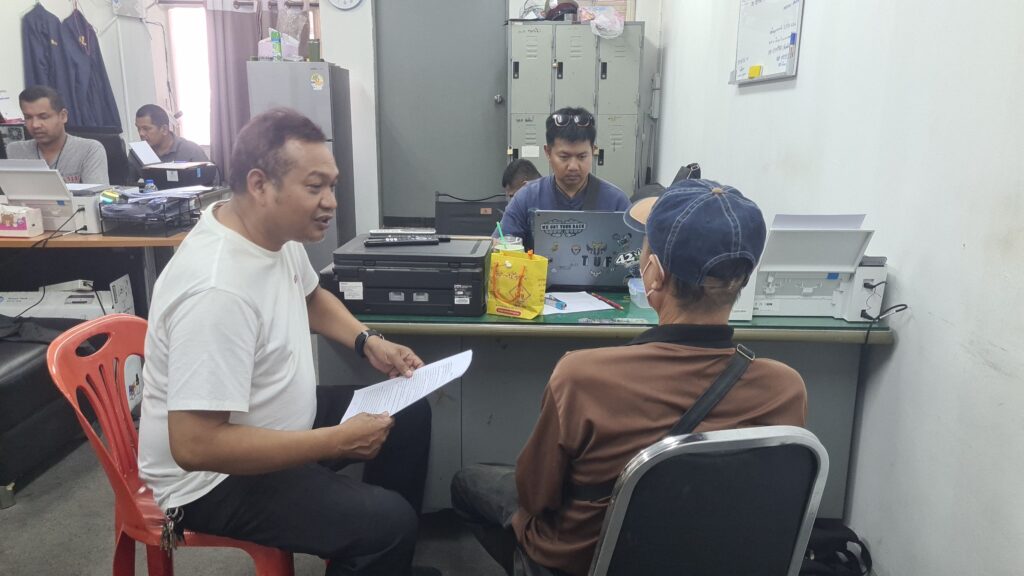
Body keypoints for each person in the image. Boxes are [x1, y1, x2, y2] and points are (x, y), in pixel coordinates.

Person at [452, 179, 808, 576]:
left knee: (468, 483)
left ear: (653, 274)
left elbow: (536, 497)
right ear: (740, 279)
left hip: (585, 560)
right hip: (714, 557)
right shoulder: (785, 388)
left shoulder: (581, 377)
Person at [137, 108, 438, 576]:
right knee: (390, 523)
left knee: (408, 409)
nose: (331, 202)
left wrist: (367, 341)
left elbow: (311, 297)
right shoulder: (216, 291)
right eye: (315, 187)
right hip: (213, 479)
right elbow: (195, 445)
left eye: (332, 186)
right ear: (260, 185)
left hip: (273, 418)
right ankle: (379, 545)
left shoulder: (272, 233)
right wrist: (334, 441)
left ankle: (378, 561)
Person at [497, 107, 630, 250]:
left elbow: (633, 253)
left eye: (582, 156)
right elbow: (501, 247)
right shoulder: (526, 198)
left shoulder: (616, 202)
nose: (573, 166)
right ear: (548, 152)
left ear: (593, 151)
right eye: (564, 157)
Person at [6, 85, 108, 184]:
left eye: (43, 117)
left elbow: (97, 194)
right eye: (28, 117)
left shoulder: (89, 150)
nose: (35, 125)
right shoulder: (14, 151)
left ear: (63, 116)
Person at [128, 104, 209, 183]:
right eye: (138, 128)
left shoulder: (191, 151)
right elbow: (125, 185)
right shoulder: (138, 153)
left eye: (146, 129)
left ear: (164, 129)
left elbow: (210, 184)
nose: (141, 133)